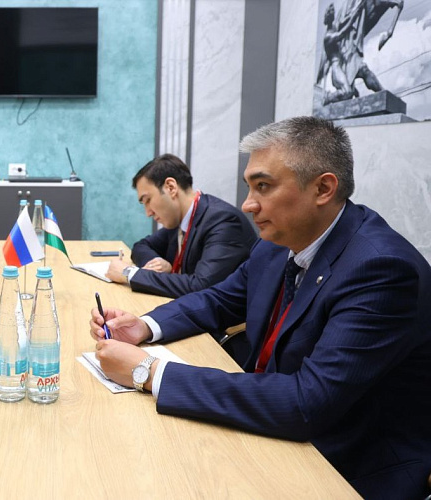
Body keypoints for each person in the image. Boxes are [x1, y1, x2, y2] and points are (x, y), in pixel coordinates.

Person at [89, 116, 431, 499]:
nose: (247, 204)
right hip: (276, 429)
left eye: (263, 187)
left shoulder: (381, 269)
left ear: (323, 188)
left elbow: (306, 402)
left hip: (345, 466)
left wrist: (150, 372)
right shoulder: (276, 243)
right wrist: (145, 326)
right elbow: (219, 299)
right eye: (249, 187)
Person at [106, 154, 256, 299]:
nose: (148, 213)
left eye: (148, 200)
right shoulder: (179, 220)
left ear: (171, 187)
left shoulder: (223, 220)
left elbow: (201, 287)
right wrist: (157, 263)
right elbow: (141, 246)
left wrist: (129, 273)